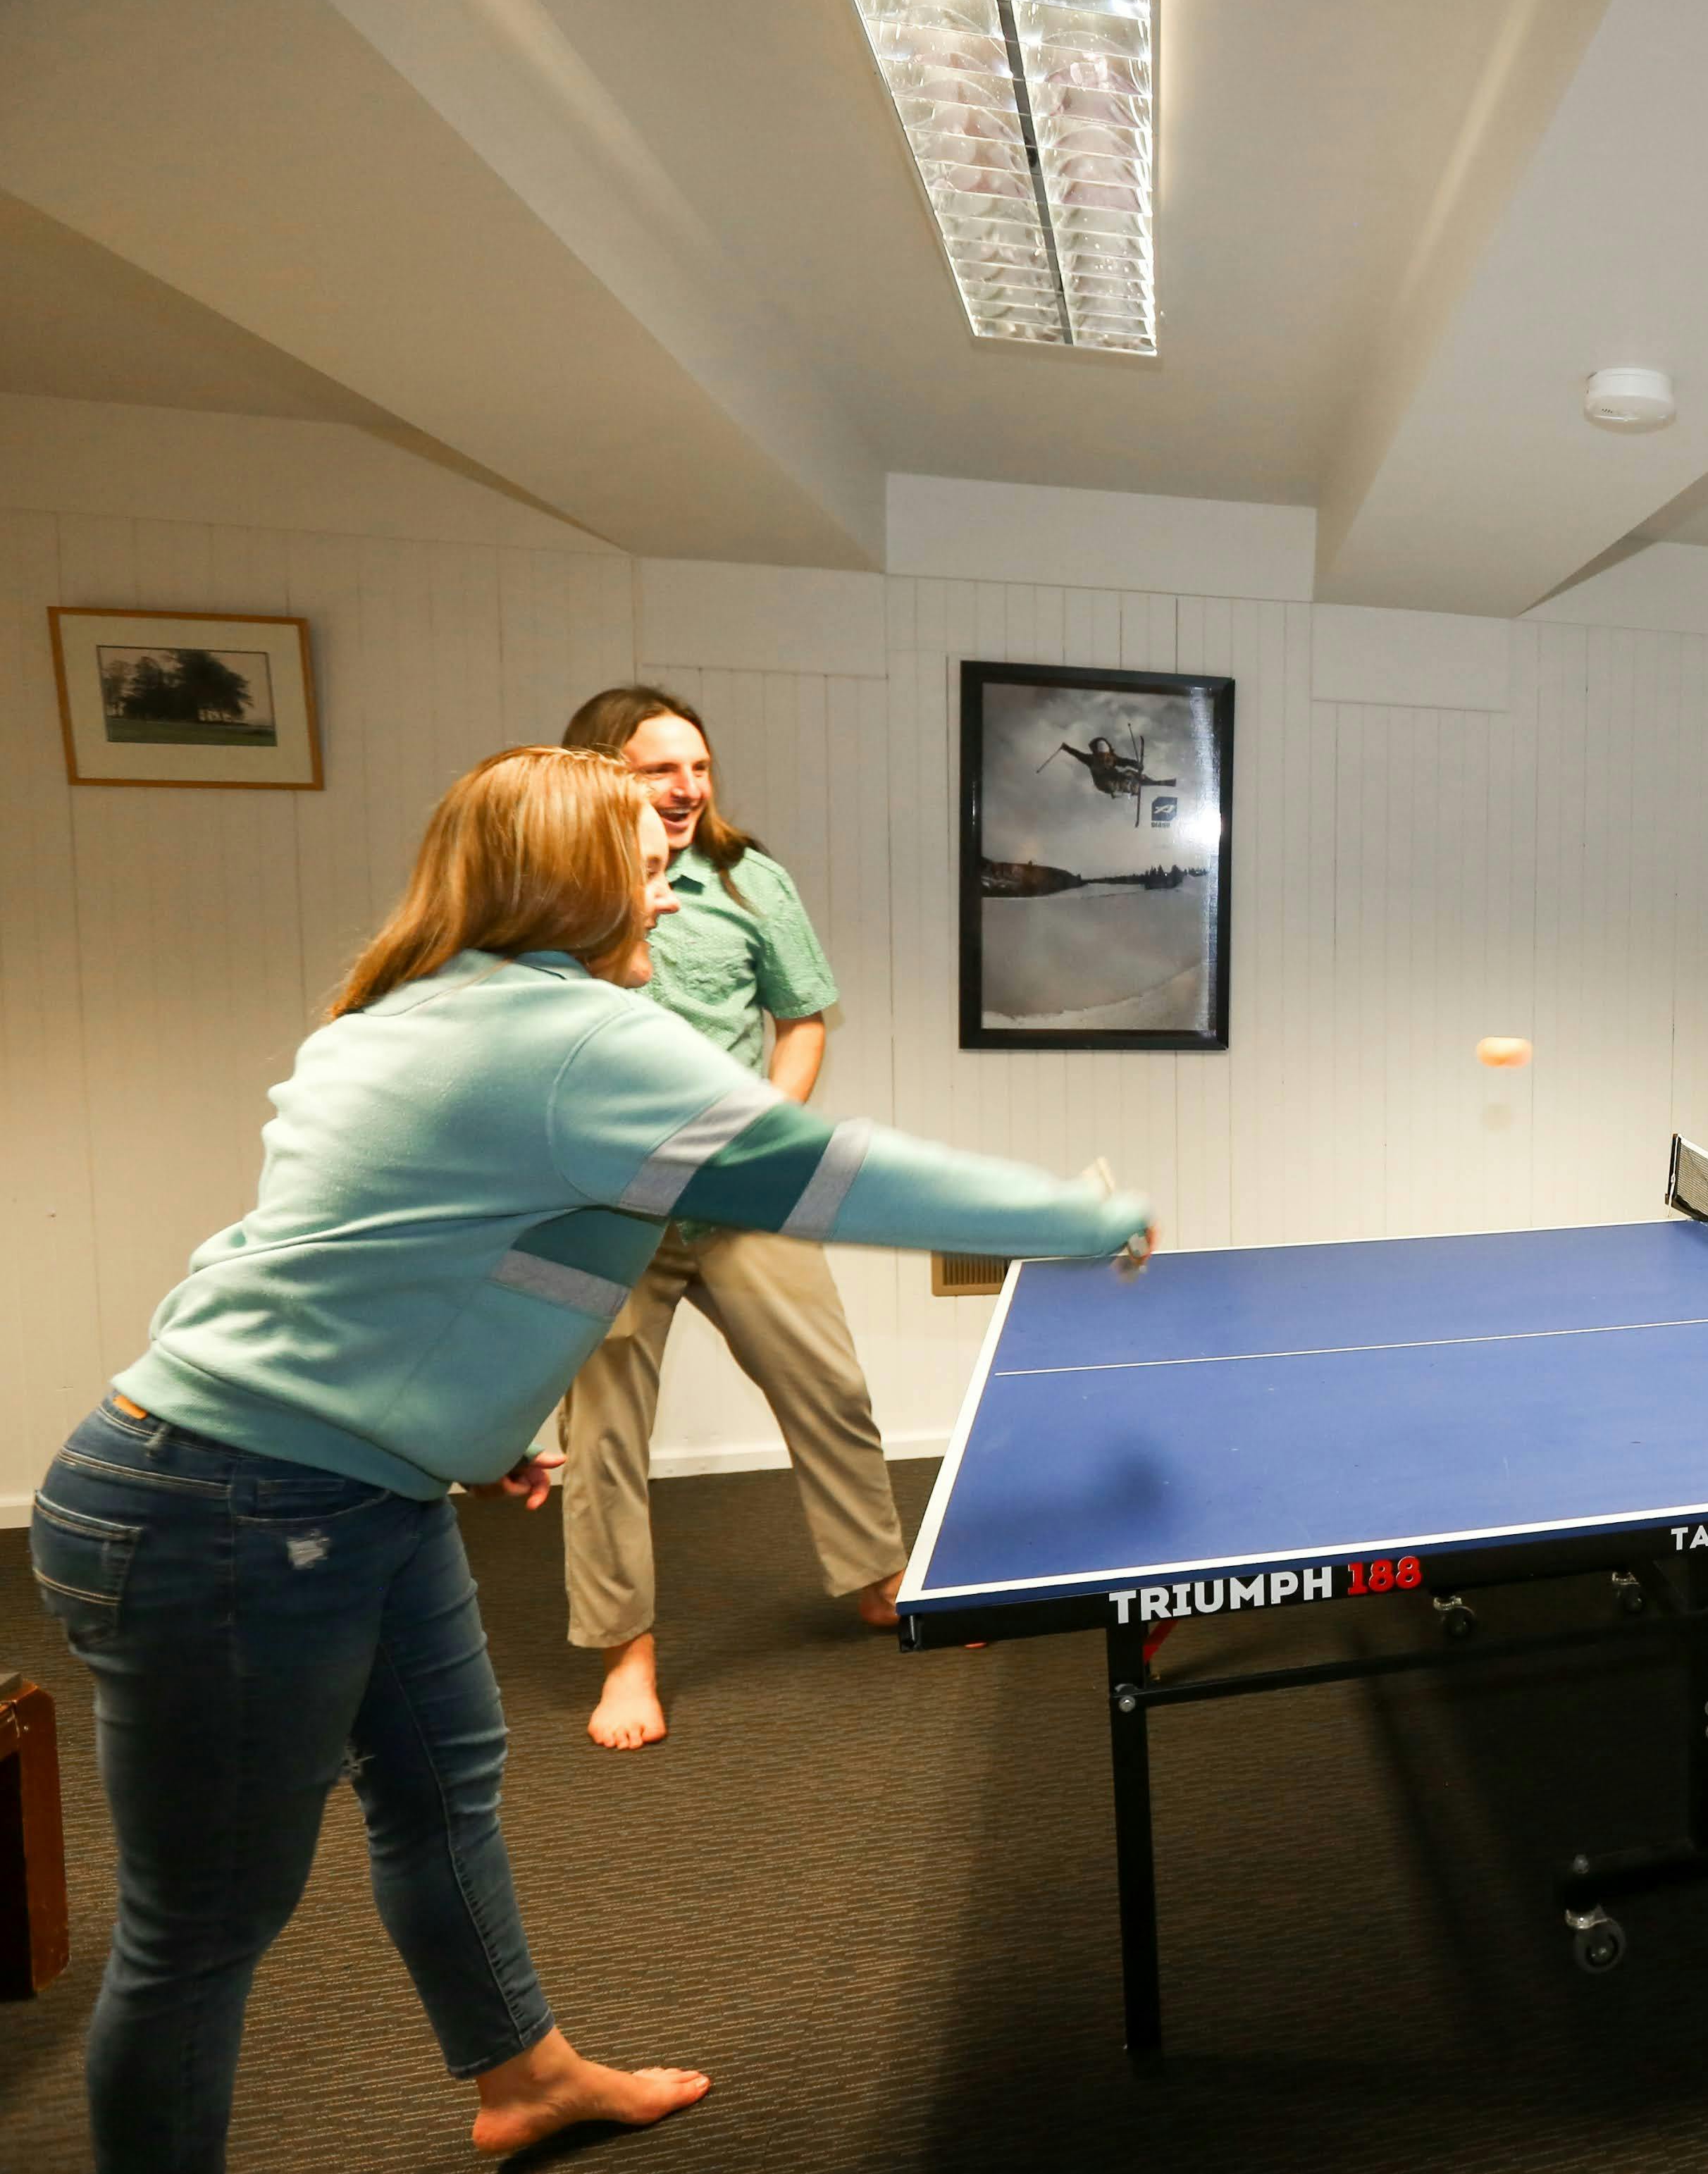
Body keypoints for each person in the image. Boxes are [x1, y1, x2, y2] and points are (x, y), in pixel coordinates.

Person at [25, 748, 1152, 2168]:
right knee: (199, 1930)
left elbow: (400, 1251)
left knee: (442, 1792)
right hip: (237, 1509)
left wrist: (470, 1425)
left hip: (319, 1485)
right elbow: (832, 1178)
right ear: (566, 881)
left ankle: (528, 2079)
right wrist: (1081, 1220)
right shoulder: (581, 1043)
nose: (669, 894)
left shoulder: (401, 1008)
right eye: (648, 866)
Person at [556, 686, 896, 1750]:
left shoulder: (751, 879)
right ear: (600, 775)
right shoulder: (550, 894)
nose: (687, 787)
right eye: (660, 768)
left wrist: (762, 1139)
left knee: (829, 1385)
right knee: (602, 1435)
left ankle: (882, 1582)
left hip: (739, 1192)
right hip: (604, 1211)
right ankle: (627, 1656)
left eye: (698, 766)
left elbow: (801, 1021)